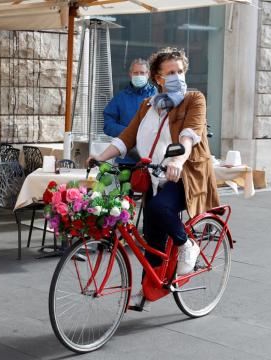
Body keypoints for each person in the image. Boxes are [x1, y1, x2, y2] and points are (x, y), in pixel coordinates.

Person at [90, 47, 220, 277]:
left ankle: (187, 245)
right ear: (158, 79)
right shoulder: (148, 105)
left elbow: (189, 134)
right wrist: (101, 157)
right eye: (170, 73)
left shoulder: (194, 99)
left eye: (180, 71)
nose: (177, 77)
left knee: (160, 208)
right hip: (155, 176)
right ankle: (150, 289)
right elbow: (126, 137)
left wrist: (178, 160)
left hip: (184, 174)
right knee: (152, 237)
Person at [103, 59, 157, 165]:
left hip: (152, 159)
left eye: (142, 73)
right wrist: (128, 132)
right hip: (126, 158)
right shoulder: (121, 97)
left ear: (148, 74)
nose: (139, 75)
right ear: (130, 74)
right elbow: (108, 124)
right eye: (136, 73)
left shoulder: (157, 96)